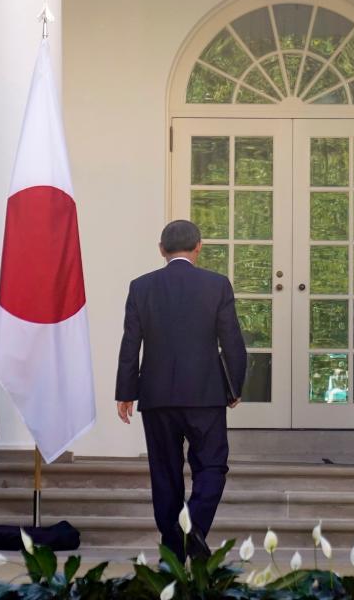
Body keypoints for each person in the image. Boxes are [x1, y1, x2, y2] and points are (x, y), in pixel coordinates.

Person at [115, 219, 247, 562]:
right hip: (205, 395)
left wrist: (126, 392)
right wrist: (234, 386)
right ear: (199, 247)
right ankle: (195, 529)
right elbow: (231, 341)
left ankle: (173, 549)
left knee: (164, 471)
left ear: (162, 250)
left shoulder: (141, 287)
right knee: (213, 467)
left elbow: (131, 344)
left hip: (156, 396)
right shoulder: (217, 285)